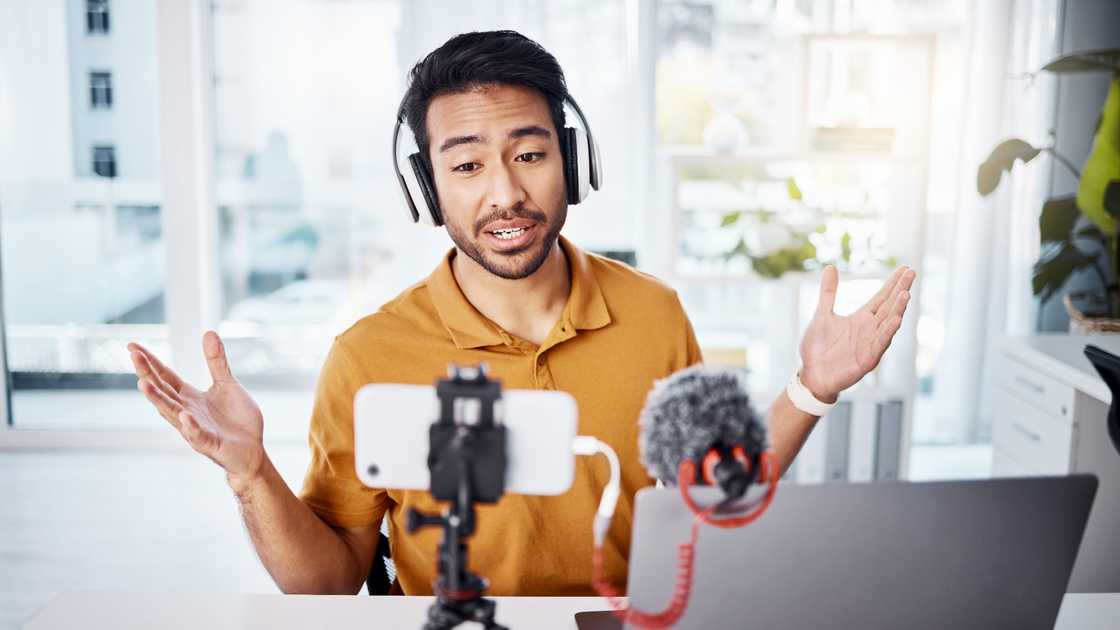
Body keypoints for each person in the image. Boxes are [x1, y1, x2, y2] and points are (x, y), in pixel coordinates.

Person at [127, 30, 915, 597]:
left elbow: (718, 498)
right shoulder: (368, 357)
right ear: (429, 190)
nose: (503, 193)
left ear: (569, 162)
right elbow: (327, 583)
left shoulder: (653, 314)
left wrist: (813, 386)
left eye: (529, 155)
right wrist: (249, 474)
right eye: (466, 165)